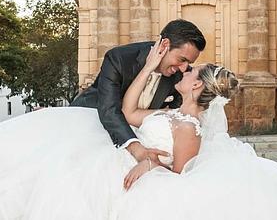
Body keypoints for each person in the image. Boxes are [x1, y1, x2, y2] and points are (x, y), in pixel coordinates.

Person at [0, 39, 277, 220]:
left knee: (42, 169)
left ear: (200, 89)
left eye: (194, 72)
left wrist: (147, 164)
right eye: (188, 65)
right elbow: (129, 109)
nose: (187, 71)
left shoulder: (189, 123)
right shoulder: (173, 110)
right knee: (36, 151)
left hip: (132, 172)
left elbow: (184, 173)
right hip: (121, 151)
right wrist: (151, 66)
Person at [71, 19, 206, 169]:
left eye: (189, 63)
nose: (183, 68)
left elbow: (174, 119)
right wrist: (136, 149)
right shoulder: (119, 58)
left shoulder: (183, 78)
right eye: (182, 60)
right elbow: (109, 111)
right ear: (165, 45)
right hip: (91, 121)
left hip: (138, 138)